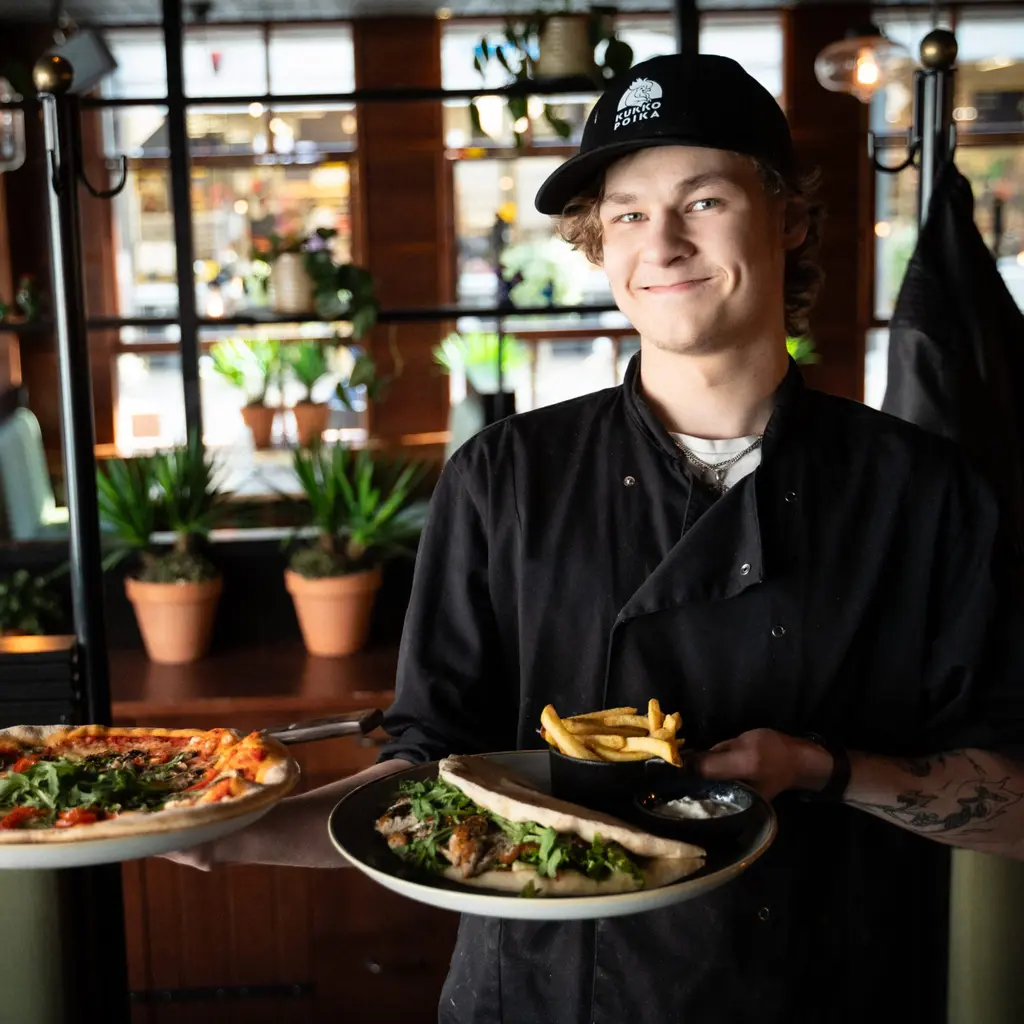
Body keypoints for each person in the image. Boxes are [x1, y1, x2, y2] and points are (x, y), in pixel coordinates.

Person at [171, 53, 1024, 1022]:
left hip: (819, 986)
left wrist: (820, 768)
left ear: (787, 216)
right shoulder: (503, 477)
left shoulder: (923, 491)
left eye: (702, 201)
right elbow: (428, 774)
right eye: (625, 213)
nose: (659, 243)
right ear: (595, 241)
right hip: (539, 996)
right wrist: (220, 829)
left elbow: (1009, 802)